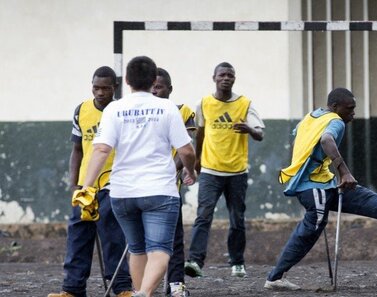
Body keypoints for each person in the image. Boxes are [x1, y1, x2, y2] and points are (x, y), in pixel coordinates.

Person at [264, 88, 377, 291]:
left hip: (323, 182)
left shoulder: (312, 116)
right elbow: (326, 140)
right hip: (312, 187)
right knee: (313, 225)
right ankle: (275, 277)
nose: (353, 114)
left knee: (357, 195)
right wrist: (344, 171)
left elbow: (298, 138)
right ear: (335, 107)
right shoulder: (336, 121)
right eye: (349, 109)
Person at [77, 56, 197, 297]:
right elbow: (186, 150)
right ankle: (143, 293)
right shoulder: (167, 108)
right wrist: (190, 171)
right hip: (159, 191)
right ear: (153, 80)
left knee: (137, 249)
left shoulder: (113, 109)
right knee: (160, 250)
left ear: (127, 81)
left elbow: (100, 149)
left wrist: (86, 187)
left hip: (122, 192)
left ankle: (141, 291)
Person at [48, 66, 133, 297]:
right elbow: (77, 150)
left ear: (115, 88)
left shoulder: (123, 111)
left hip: (113, 183)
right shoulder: (81, 110)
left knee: (112, 235)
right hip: (86, 186)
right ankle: (73, 289)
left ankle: (123, 287)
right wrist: (74, 185)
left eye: (106, 88)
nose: (100, 92)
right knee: (78, 235)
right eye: (96, 87)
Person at [185, 62, 264, 278]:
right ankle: (194, 260)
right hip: (210, 171)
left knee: (237, 219)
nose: (226, 78)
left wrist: (248, 128)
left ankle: (237, 262)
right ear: (214, 78)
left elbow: (260, 134)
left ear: (234, 79)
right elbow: (199, 133)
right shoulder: (204, 103)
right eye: (222, 75)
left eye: (230, 75)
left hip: (237, 172)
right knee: (203, 216)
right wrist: (197, 159)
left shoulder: (244, 104)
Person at [151, 68, 196, 297]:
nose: (154, 91)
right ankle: (140, 286)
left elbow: (186, 148)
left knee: (174, 239)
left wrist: (170, 170)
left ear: (170, 89)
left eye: (158, 86)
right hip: (141, 187)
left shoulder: (182, 111)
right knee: (142, 242)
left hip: (169, 188)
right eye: (151, 86)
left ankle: (176, 284)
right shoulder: (139, 112)